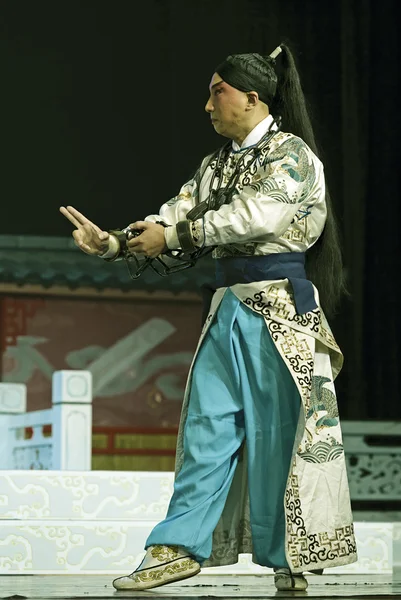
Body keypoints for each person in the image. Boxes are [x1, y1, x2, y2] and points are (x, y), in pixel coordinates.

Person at [60, 43, 357, 592]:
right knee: (206, 429)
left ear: (252, 97)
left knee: (280, 436)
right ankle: (175, 547)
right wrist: (115, 243)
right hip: (229, 311)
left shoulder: (291, 155)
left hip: (280, 313)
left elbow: (254, 215)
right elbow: (175, 216)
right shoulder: (215, 166)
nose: (207, 105)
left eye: (216, 91)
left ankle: (288, 554)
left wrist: (173, 235)